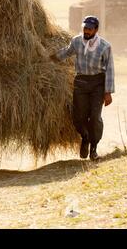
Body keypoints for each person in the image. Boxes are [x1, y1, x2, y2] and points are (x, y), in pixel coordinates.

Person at [50, 16, 115, 161]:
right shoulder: (77, 41)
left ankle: (94, 149)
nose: (86, 31)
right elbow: (66, 52)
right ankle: (85, 137)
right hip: (80, 82)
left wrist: (108, 92)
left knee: (95, 117)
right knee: (78, 117)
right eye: (85, 28)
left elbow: (109, 70)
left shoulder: (105, 46)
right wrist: (50, 58)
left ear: (96, 30)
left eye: (90, 29)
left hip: (97, 83)